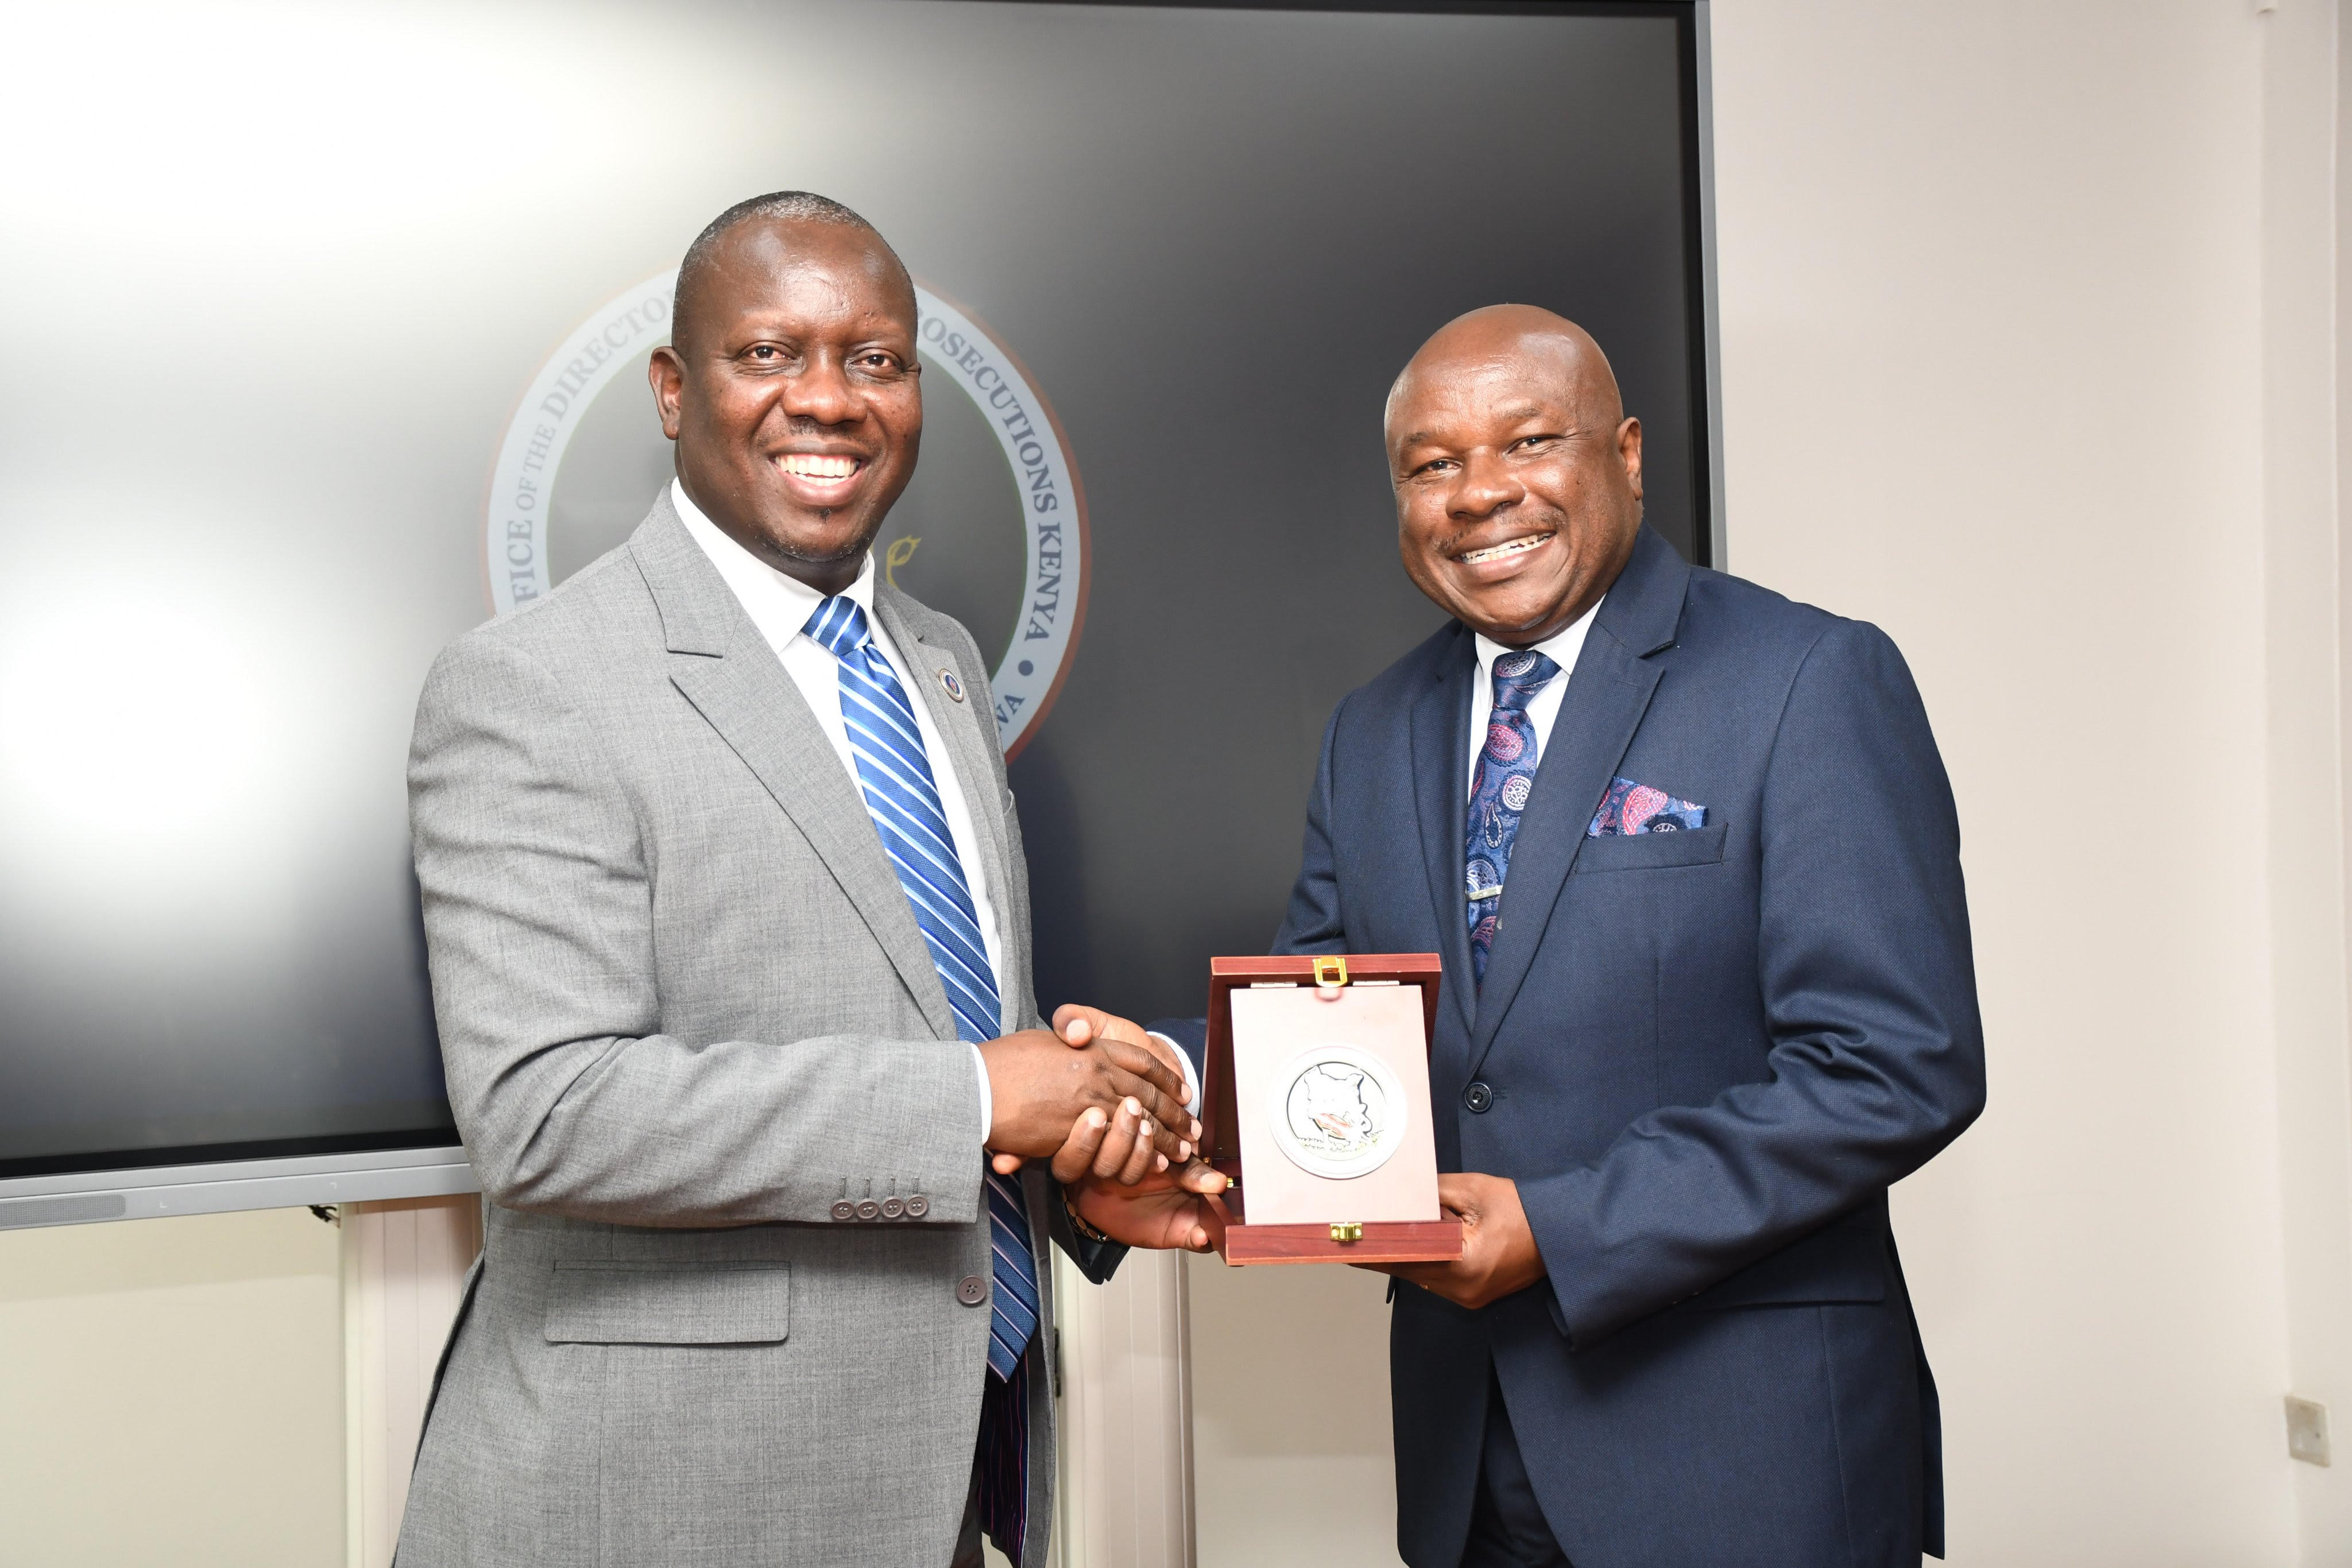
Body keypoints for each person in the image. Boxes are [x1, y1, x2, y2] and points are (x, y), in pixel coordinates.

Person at [400, 192, 1223, 1568]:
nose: (828, 399)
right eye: (768, 354)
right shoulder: (534, 683)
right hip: (661, 1505)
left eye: (876, 358)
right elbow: (546, 1111)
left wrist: (1067, 1176)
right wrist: (979, 1096)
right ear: (673, 390)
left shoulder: (942, 660)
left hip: (938, 1476)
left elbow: (936, 1021)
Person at [1175, 306, 1985, 1566]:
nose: (1478, 493)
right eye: (1430, 464)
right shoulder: (1371, 729)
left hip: (1745, 1464)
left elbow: (1895, 1063)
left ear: (1626, 453)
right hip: (1470, 1468)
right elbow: (1314, 1017)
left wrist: (1561, 1228)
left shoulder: (1806, 677)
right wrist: (1150, 1085)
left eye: (1527, 441)